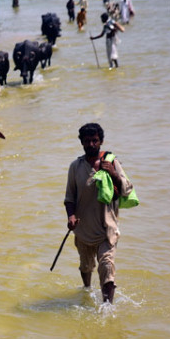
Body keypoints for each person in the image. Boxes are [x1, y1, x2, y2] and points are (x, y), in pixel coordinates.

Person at [64, 123, 133, 304]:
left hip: (106, 230)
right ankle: (86, 290)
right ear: (82, 143)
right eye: (87, 141)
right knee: (86, 267)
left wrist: (114, 175)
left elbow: (127, 189)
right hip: (83, 229)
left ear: (101, 141)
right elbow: (69, 198)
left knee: (106, 267)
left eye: (95, 140)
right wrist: (71, 216)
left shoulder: (111, 163)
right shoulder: (75, 167)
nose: (91, 144)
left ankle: (107, 307)